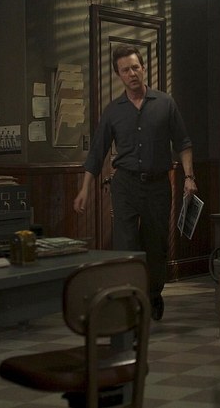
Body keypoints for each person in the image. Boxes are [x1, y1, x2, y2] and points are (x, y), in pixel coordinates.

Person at [73, 45, 197, 321]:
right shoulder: (113, 111)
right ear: (119, 75)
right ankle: (130, 299)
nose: (131, 74)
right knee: (126, 244)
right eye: (125, 70)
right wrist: (84, 189)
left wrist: (189, 177)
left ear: (143, 68)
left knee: (155, 245)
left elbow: (183, 143)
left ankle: (153, 294)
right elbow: (97, 153)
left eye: (135, 68)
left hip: (157, 184)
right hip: (125, 185)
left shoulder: (165, 103)